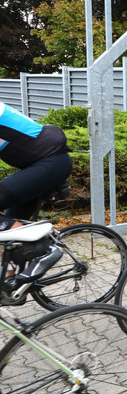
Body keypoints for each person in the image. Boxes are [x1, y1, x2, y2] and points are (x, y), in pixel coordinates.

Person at [0, 102, 70, 284]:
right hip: (39, 165)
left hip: (51, 163)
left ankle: (45, 249)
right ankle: (9, 286)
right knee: (14, 235)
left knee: (12, 229)